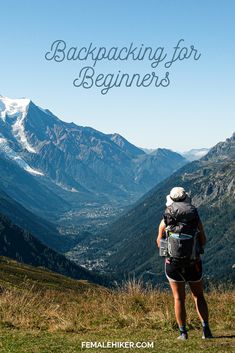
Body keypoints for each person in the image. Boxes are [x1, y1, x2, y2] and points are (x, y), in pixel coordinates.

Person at [156, 187, 213, 340]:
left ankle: (183, 333)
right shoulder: (194, 220)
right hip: (193, 263)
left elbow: (159, 242)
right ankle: (206, 330)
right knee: (199, 296)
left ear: (171, 201)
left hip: (173, 264)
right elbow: (203, 240)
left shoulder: (166, 220)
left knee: (179, 298)